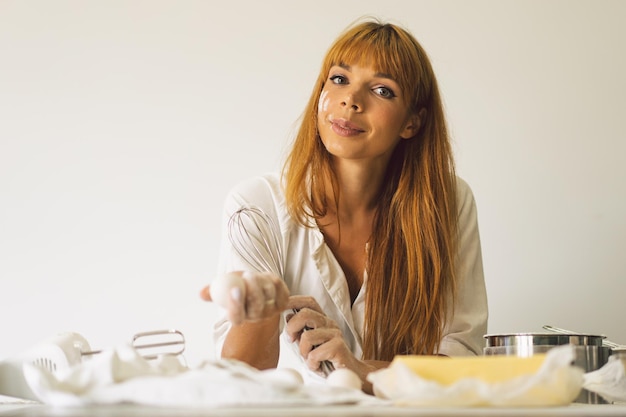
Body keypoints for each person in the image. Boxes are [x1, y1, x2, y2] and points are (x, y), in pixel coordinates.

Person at [200, 18, 488, 394]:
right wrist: (261, 311)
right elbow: (240, 383)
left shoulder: (448, 203)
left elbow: (461, 364)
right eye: (339, 79)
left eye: (383, 90)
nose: (351, 100)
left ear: (412, 123)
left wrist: (358, 370)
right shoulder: (256, 206)